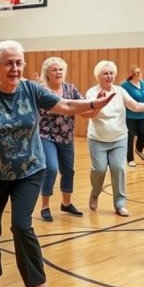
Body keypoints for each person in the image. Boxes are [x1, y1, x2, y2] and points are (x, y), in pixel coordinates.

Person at [0, 40, 116, 287]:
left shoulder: (31, 90)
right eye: (9, 63)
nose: (15, 67)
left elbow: (66, 105)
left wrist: (93, 105)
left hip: (29, 169)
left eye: (19, 62)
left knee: (22, 226)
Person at [85, 60, 144, 217]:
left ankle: (120, 204)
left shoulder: (120, 91)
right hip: (97, 139)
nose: (109, 76)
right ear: (98, 76)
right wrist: (99, 103)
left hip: (119, 138)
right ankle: (95, 192)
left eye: (111, 73)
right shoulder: (92, 93)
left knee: (119, 168)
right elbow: (89, 114)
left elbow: (134, 105)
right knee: (99, 170)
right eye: (105, 73)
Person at [37, 57, 84, 222]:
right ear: (47, 74)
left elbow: (83, 105)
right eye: (55, 70)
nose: (59, 72)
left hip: (67, 136)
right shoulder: (40, 90)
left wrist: (96, 104)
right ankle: (45, 206)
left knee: (68, 171)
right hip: (45, 135)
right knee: (50, 168)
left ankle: (66, 203)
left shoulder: (70, 88)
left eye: (61, 69)